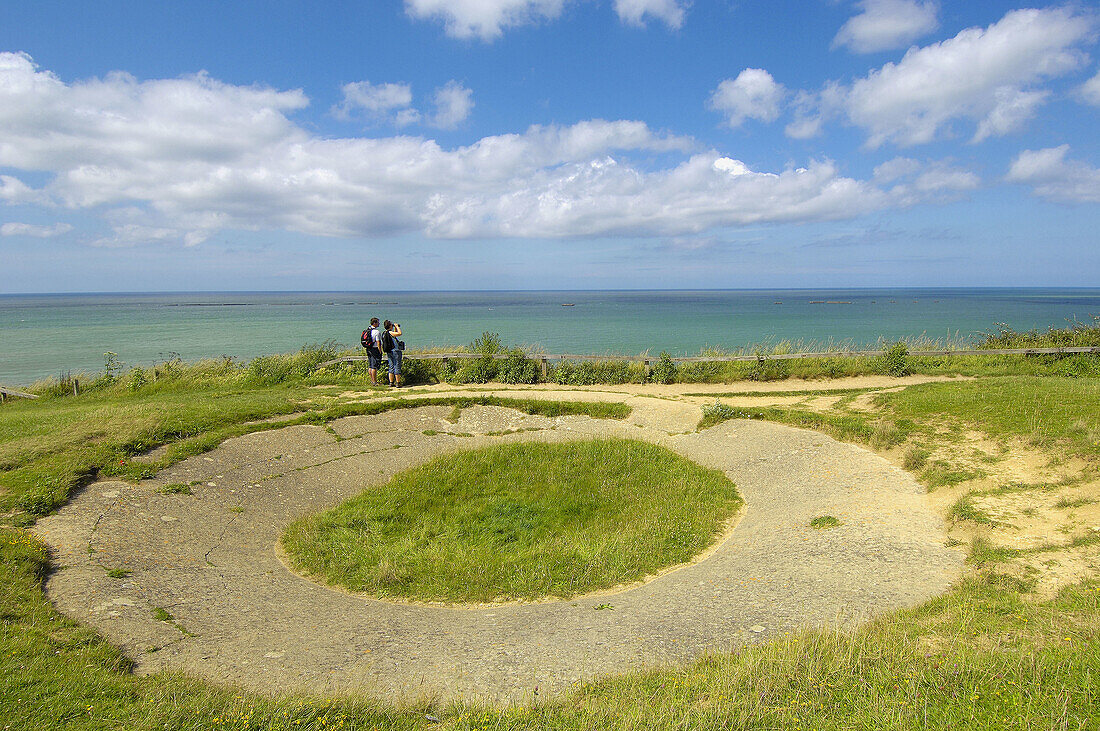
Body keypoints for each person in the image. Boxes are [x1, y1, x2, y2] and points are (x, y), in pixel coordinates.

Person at [383, 319, 403, 387]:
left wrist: (394, 328)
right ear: (389, 326)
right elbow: (399, 333)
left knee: (391, 366)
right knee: (397, 366)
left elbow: (394, 336)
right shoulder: (390, 333)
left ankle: (391, 382)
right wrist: (397, 327)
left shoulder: (385, 333)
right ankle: (398, 382)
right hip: (395, 351)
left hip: (389, 351)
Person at [364, 317, 382, 386]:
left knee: (370, 365)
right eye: (378, 322)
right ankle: (375, 382)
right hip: (374, 349)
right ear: (374, 323)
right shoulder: (377, 332)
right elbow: (378, 342)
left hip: (369, 348)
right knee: (374, 366)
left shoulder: (368, 330)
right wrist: (380, 351)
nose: (379, 323)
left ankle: (372, 380)